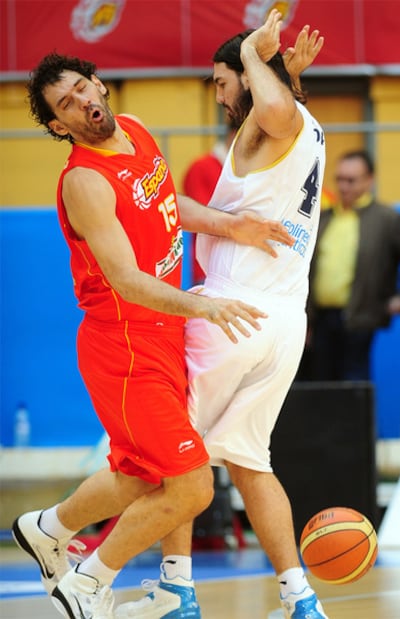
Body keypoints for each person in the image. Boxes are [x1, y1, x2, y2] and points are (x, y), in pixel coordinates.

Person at [11, 51, 295, 619]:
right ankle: (88, 582)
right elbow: (127, 280)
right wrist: (204, 308)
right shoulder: (85, 182)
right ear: (58, 127)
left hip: (165, 333)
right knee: (192, 488)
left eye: (82, 88)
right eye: (66, 104)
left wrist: (228, 224)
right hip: (124, 345)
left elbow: (168, 206)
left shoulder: (137, 130)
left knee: (138, 475)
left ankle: (46, 528)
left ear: (98, 84)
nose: (83, 101)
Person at [116, 12, 328, 619]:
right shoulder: (307, 131)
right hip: (285, 322)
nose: (217, 93)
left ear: (248, 77)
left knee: (173, 456)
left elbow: (274, 109)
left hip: (232, 312)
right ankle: (300, 599)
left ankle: (176, 590)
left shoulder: (270, 124)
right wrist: (279, 68)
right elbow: (281, 106)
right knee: (252, 463)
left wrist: (262, 56)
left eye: (220, 80)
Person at [304, 149, 400, 381]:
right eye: (340, 179)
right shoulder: (322, 218)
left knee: (354, 387)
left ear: (369, 180)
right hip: (320, 319)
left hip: (361, 318)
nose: (344, 187)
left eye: (351, 180)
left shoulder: (387, 220)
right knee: (319, 389)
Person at [183, 122, 236, 284]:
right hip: (208, 267)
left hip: (240, 268)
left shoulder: (251, 171)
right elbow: (203, 219)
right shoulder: (201, 168)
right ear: (234, 134)